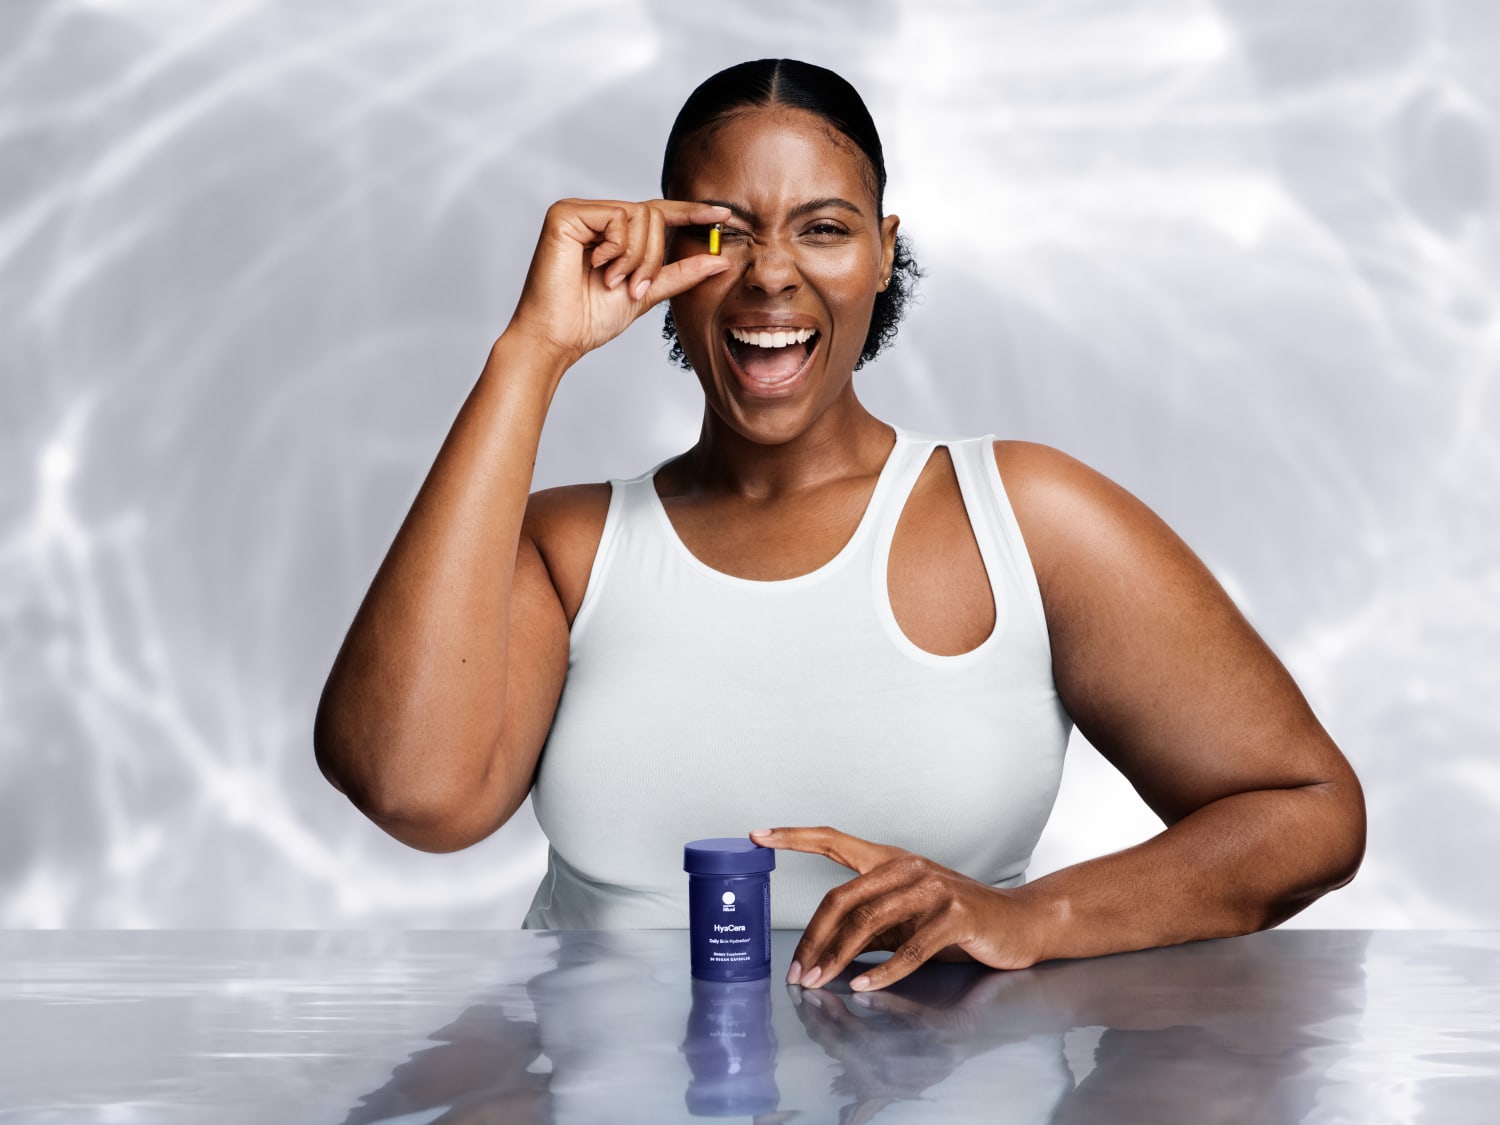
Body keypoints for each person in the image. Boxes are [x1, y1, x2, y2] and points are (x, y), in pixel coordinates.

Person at [313, 59, 1365, 993]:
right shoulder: (570, 548)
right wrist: (532, 351)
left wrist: (1038, 917)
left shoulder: (1024, 519)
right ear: (663, 264)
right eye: (722, 231)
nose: (773, 272)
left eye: (823, 227)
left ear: (880, 252)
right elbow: (411, 792)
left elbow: (1306, 810)